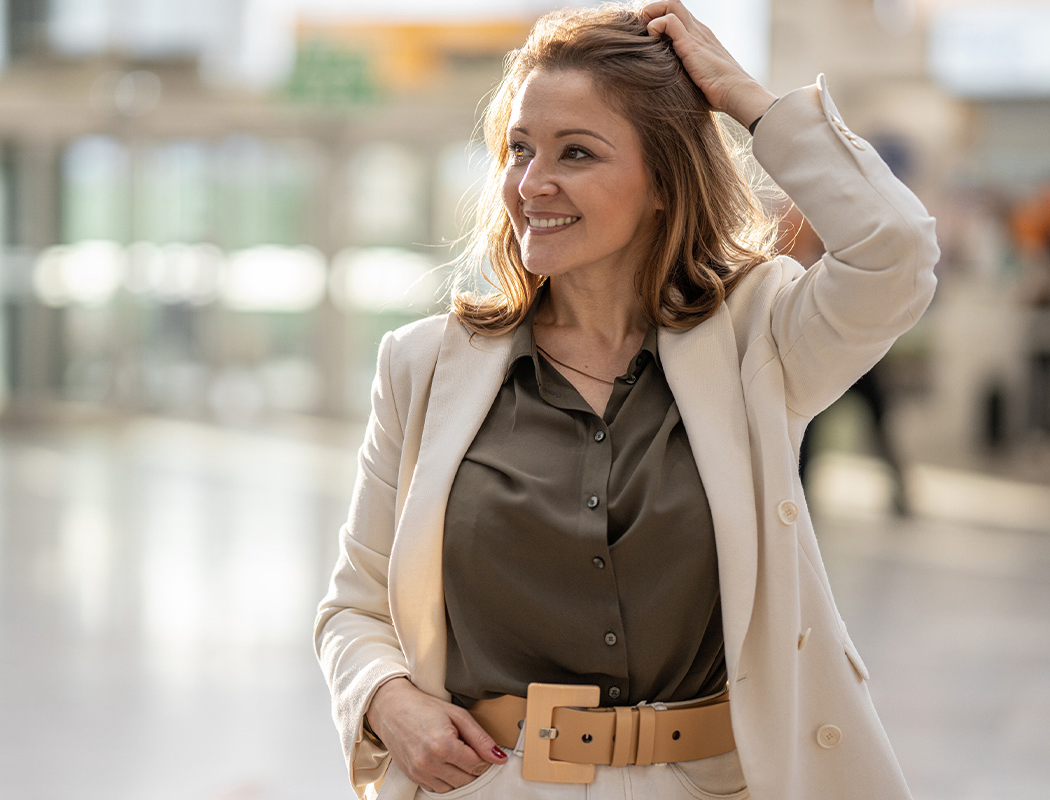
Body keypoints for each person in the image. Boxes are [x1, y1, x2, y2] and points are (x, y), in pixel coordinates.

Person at [314, 2, 939, 799]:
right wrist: (386, 699)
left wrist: (749, 101)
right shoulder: (423, 366)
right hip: (496, 784)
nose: (532, 184)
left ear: (662, 184)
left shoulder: (758, 339)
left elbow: (897, 252)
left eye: (576, 153)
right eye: (518, 149)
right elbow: (354, 607)